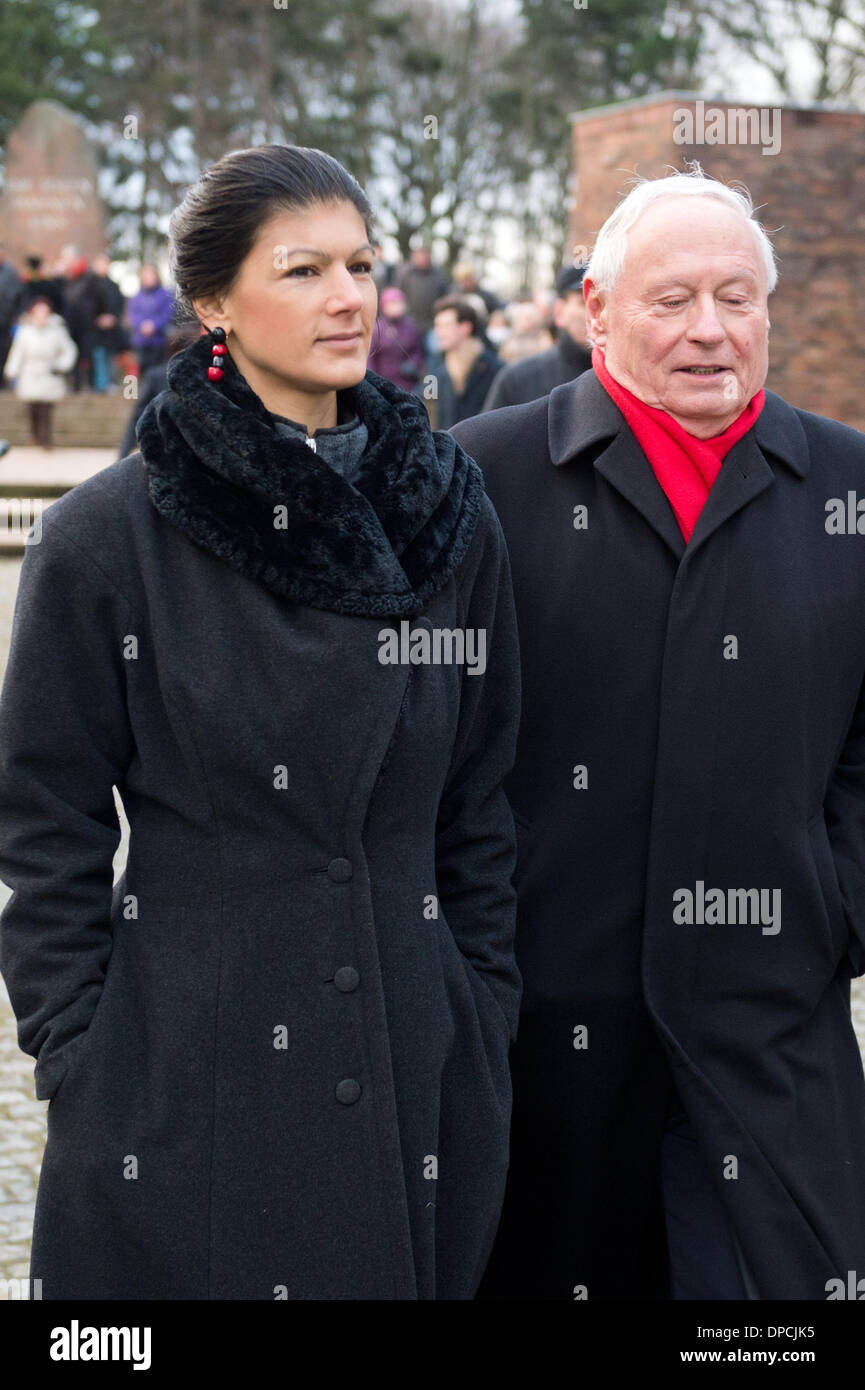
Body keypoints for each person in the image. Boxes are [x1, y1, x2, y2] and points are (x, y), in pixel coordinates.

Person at [0, 142, 522, 1301]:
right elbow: (46, 823)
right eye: (302, 270)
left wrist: (478, 1006)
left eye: (361, 266)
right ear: (212, 302)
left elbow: (482, 795)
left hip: (415, 1052)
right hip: (186, 1065)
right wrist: (81, 1054)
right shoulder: (108, 539)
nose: (348, 298)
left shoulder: (448, 514)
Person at [451, 165, 865, 1301]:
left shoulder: (848, 486)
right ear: (595, 310)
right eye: (671, 299)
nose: (709, 331)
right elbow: (428, 752)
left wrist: (830, 909)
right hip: (542, 1049)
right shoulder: (478, 479)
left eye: (738, 298)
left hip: (768, 1042)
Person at [482, 265, 592, 411]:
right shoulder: (518, 380)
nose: (597, 312)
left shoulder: (627, 379)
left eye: (605, 301)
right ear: (559, 312)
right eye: (584, 303)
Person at [1, 296, 77, 449]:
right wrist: (11, 370)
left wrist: (61, 365)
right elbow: (18, 353)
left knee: (46, 409)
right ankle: (35, 436)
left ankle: (45, 440)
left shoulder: (57, 331)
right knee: (33, 409)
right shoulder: (25, 331)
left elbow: (69, 350)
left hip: (49, 373)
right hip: (31, 374)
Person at [432, 295, 502, 430]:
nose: (438, 332)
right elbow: (434, 413)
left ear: (466, 328)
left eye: (445, 326)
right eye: (437, 326)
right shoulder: (438, 370)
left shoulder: (494, 368)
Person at [367, 286, 425, 393]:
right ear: (384, 306)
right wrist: (373, 382)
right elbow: (370, 358)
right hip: (384, 383)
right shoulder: (377, 328)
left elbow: (418, 350)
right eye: (392, 303)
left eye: (399, 303)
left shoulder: (411, 326)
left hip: (407, 382)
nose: (396, 307)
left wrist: (413, 363)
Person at [126, 263, 176, 374]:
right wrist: (142, 326)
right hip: (140, 341)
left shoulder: (166, 295)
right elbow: (133, 315)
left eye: (150, 276)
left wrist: (154, 325)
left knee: (158, 371)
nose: (148, 279)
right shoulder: (136, 298)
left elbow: (167, 314)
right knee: (142, 371)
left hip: (159, 340)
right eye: (145, 277)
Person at [89, 253, 127, 393]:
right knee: (98, 356)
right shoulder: (89, 285)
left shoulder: (113, 286)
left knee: (111, 357)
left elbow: (118, 304)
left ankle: (111, 383)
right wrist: (97, 319)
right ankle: (99, 384)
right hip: (94, 329)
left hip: (111, 329)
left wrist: (112, 318)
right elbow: (86, 306)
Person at [0, 251, 24, 387]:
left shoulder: (10, 273)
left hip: (5, 321)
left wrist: (16, 315)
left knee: (4, 352)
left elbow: (19, 296)